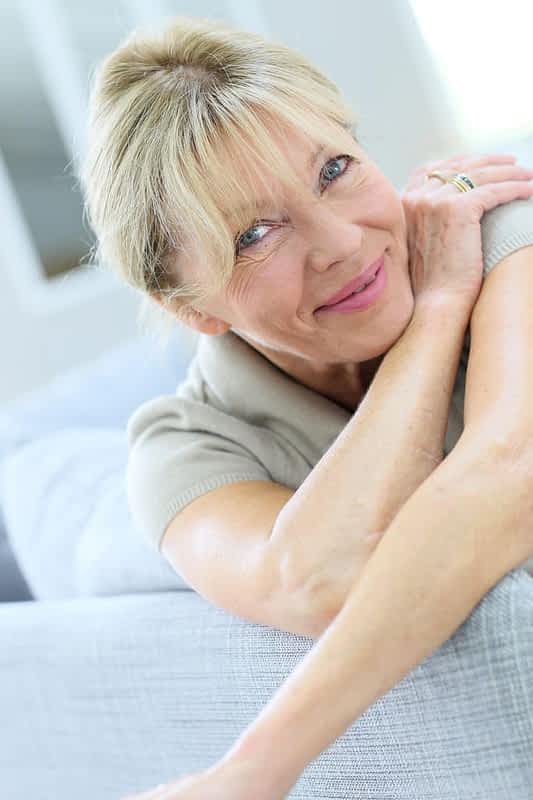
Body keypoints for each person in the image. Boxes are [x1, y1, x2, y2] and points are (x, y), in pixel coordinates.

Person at [79, 14, 533, 800]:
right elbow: (318, 580)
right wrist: (434, 315)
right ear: (190, 307)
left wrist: (255, 769)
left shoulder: (496, 233)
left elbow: (512, 468)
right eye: (254, 234)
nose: (341, 243)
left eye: (333, 170)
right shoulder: (181, 452)